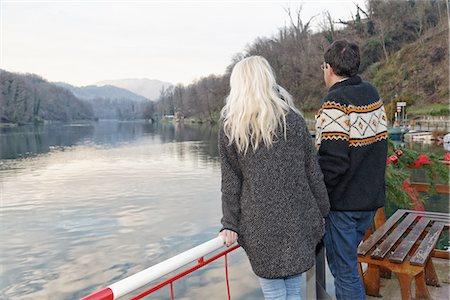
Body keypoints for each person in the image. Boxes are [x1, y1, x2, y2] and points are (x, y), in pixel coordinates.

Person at [218, 55, 330, 300]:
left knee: (276, 294)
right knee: (292, 290)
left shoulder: (232, 127)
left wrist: (230, 223)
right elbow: (313, 172)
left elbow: (231, 182)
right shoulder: (294, 121)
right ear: (268, 80)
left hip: (259, 224)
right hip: (298, 219)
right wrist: (324, 210)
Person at [316, 39, 388, 300]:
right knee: (349, 268)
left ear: (328, 68)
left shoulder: (335, 102)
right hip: (369, 203)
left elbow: (333, 163)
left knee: (345, 273)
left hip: (343, 206)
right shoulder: (372, 94)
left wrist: (318, 198)